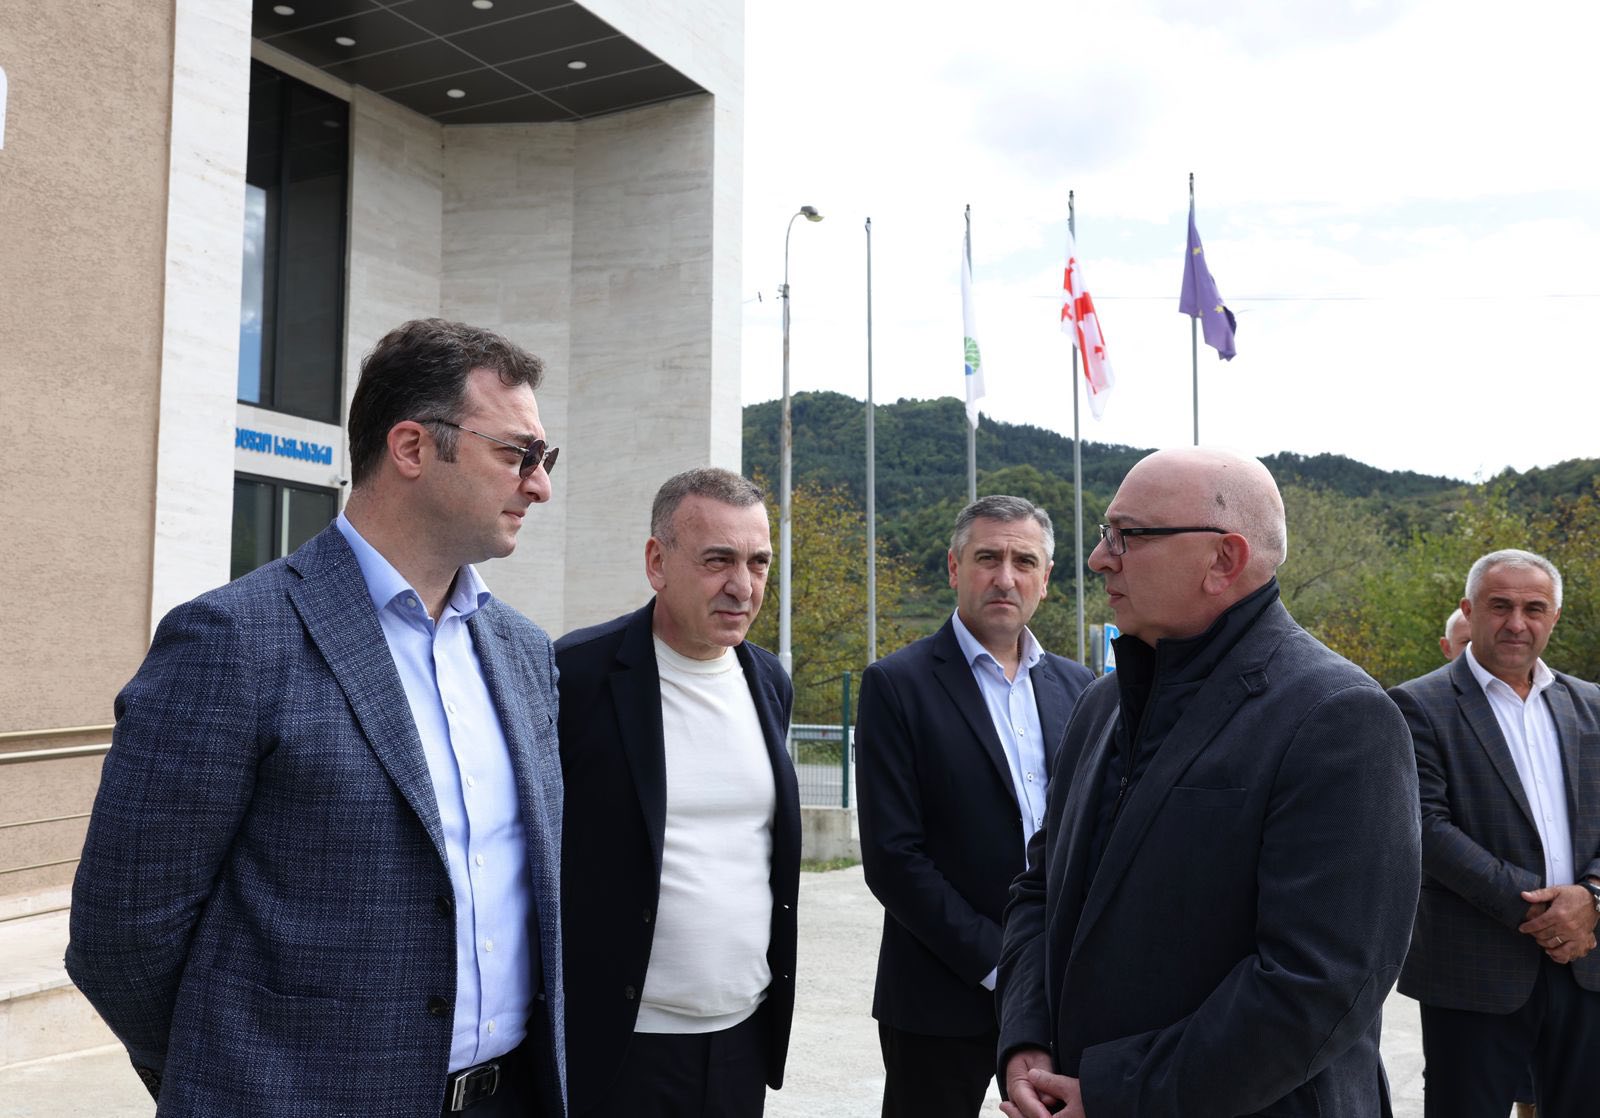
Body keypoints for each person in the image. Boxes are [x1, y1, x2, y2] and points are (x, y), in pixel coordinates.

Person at [67, 318, 567, 1116]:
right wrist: (235, 1083)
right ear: (412, 447)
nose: (539, 486)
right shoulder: (234, 640)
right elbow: (122, 935)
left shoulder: (524, 653)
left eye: (544, 459)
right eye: (518, 455)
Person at [996, 446, 1421, 1118]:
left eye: (1128, 535)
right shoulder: (1101, 705)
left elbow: (1320, 983)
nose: (1099, 558)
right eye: (1107, 534)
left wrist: (1120, 1093)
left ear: (1224, 559)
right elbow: (1040, 890)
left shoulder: (1338, 717)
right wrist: (1025, 1038)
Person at [556, 467, 799, 1118]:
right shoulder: (575, 675)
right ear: (657, 563)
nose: (742, 586)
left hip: (742, 1039)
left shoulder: (768, 681)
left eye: (758, 562)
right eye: (718, 560)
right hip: (619, 1048)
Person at [855, 494, 1093, 1117]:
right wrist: (1002, 963)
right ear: (954, 568)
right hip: (939, 994)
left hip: (1060, 994)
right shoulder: (896, 685)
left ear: (1046, 578)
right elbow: (893, 859)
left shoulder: (1083, 689)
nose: (1005, 577)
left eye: (1024, 561)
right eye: (988, 558)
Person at [1389, 549, 1600, 1118]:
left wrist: (1591, 898)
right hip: (1474, 970)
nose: (1517, 623)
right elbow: (1425, 829)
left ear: (1555, 617)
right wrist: (1545, 912)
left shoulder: (1593, 706)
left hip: (1586, 960)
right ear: (1469, 610)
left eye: (1534, 609)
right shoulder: (1415, 705)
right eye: (1500, 606)